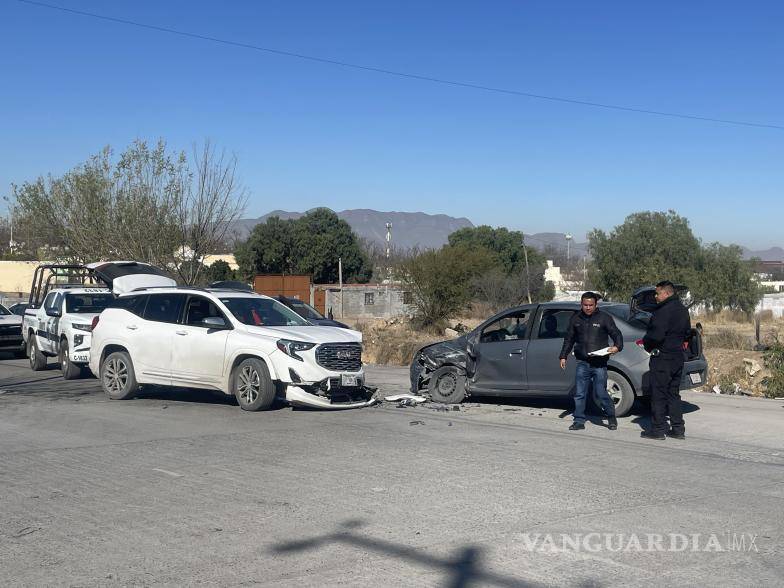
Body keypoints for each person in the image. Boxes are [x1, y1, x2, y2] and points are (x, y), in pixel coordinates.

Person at [559, 292, 624, 431]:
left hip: (599, 363)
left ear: (596, 305)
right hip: (582, 362)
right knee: (580, 393)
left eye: (590, 305)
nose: (588, 308)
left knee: (600, 393)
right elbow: (569, 338)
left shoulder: (604, 318)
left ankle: (611, 416)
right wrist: (563, 355)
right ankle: (579, 420)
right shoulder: (575, 318)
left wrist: (617, 346)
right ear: (581, 304)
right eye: (585, 305)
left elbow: (616, 333)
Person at [641, 281, 691, 440]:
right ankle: (678, 429)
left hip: (662, 358)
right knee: (673, 394)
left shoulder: (662, 311)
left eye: (657, 293)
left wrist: (647, 344)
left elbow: (656, 335)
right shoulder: (683, 310)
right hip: (677, 357)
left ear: (667, 293)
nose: (655, 296)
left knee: (658, 395)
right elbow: (688, 333)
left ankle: (657, 430)